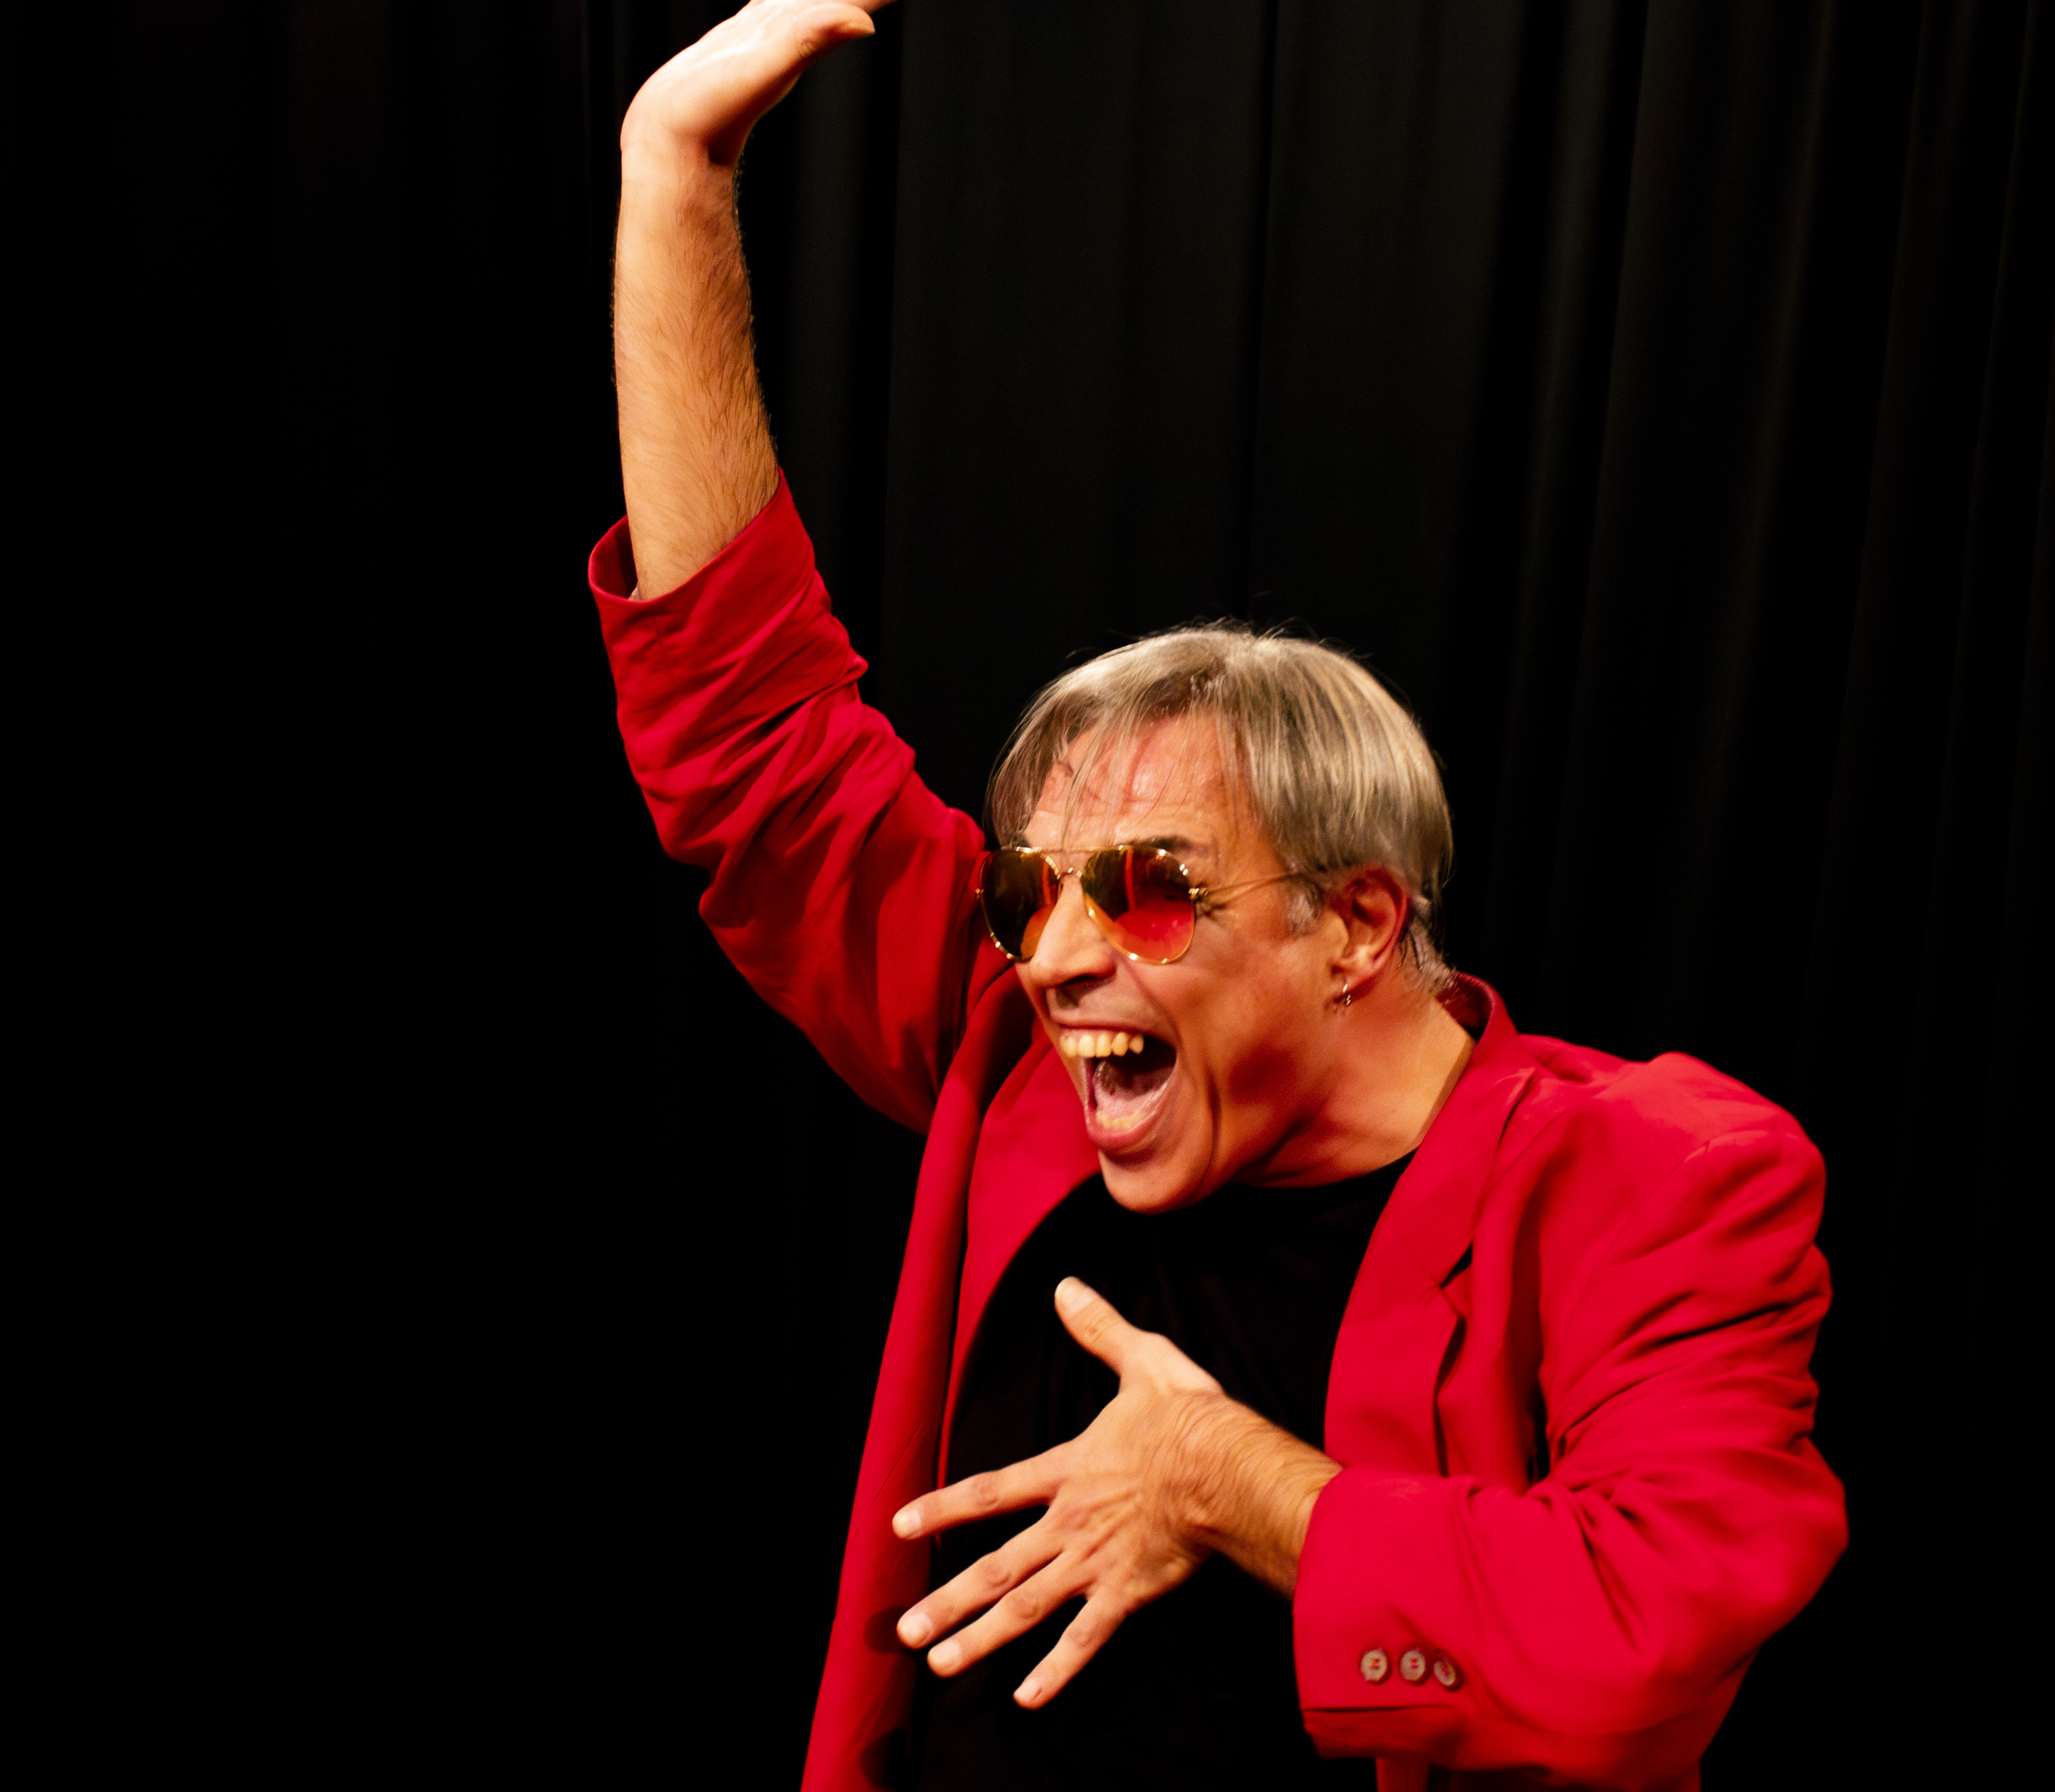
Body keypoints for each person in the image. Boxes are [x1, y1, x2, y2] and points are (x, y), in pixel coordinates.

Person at [600, 6, 1845, 1788]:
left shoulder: (1652, 1179)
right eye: (1031, 890)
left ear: (1358, 924)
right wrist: (672, 173)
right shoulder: (1022, 1063)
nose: (1053, 954)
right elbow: (751, 733)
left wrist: (1234, 1485)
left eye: (1146, 891)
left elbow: (1635, 1649)